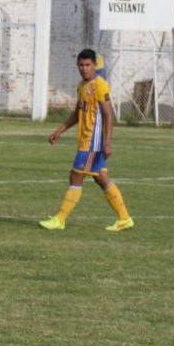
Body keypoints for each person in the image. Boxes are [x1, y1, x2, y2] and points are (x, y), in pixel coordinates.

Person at [39, 48, 134, 232]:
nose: (84, 68)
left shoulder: (100, 85)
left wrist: (107, 143)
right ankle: (124, 218)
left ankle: (60, 219)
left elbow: (108, 115)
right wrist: (60, 130)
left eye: (88, 65)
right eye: (81, 65)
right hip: (86, 140)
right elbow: (77, 112)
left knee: (75, 176)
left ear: (94, 65)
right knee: (102, 179)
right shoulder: (81, 85)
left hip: (93, 142)